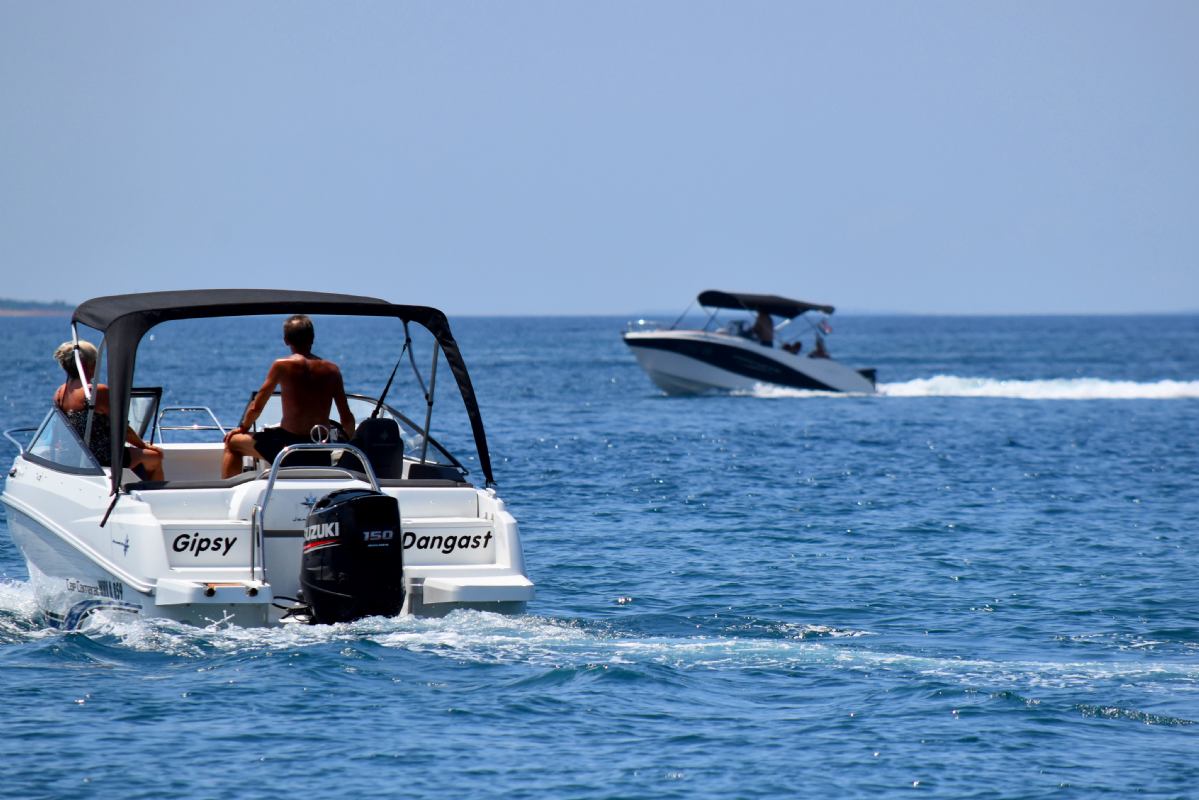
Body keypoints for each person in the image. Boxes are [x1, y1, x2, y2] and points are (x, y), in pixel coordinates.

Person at [222, 314, 356, 479]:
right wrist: (349, 446)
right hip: (320, 449)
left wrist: (242, 428)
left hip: (287, 449)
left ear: (286, 340)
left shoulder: (282, 365)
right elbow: (347, 418)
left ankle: (227, 497)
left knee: (232, 443)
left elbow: (257, 406)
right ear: (312, 338)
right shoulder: (332, 370)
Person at [52, 340, 165, 480]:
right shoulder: (96, 391)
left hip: (72, 455)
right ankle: (152, 495)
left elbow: (59, 431)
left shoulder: (60, 393)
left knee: (137, 455)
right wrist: (144, 446)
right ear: (89, 365)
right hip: (99, 457)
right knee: (155, 457)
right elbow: (123, 428)